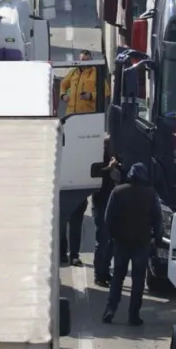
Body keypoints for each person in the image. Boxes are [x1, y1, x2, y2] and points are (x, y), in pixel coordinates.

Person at [102, 162, 162, 326]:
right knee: (138, 280)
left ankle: (110, 310)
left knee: (117, 278)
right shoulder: (150, 194)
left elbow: (108, 217)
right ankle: (133, 315)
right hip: (141, 242)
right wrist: (157, 238)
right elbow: (157, 218)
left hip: (122, 242)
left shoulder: (118, 192)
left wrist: (112, 236)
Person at [90, 135, 122, 287]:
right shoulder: (99, 158)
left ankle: (105, 271)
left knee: (111, 241)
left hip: (112, 202)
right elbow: (95, 172)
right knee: (102, 240)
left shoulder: (116, 157)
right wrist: (109, 167)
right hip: (100, 202)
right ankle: (98, 274)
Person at [60, 50, 106, 115]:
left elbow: (106, 92)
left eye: (87, 60)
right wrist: (63, 95)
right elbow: (63, 84)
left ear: (91, 60)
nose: (85, 62)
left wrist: (90, 96)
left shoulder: (97, 73)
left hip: (87, 115)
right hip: (70, 115)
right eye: (83, 60)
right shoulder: (73, 72)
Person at [59, 195, 89, 267]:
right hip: (62, 198)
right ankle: (62, 254)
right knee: (61, 228)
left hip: (78, 200)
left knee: (75, 228)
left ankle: (74, 255)